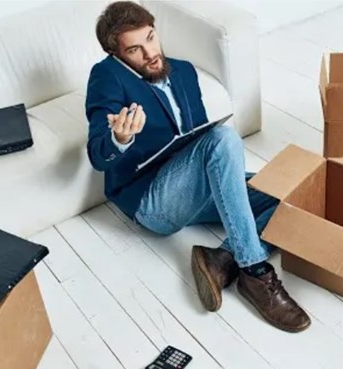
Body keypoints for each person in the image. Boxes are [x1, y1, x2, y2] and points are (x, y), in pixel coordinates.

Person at [85, 1, 310, 333]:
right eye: (135, 49)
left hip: (195, 191)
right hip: (152, 201)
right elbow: (97, 153)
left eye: (151, 38)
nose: (150, 53)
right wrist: (119, 137)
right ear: (115, 53)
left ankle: (220, 260)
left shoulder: (183, 71)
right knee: (224, 138)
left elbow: (197, 141)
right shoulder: (107, 76)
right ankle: (255, 272)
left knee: (294, 194)